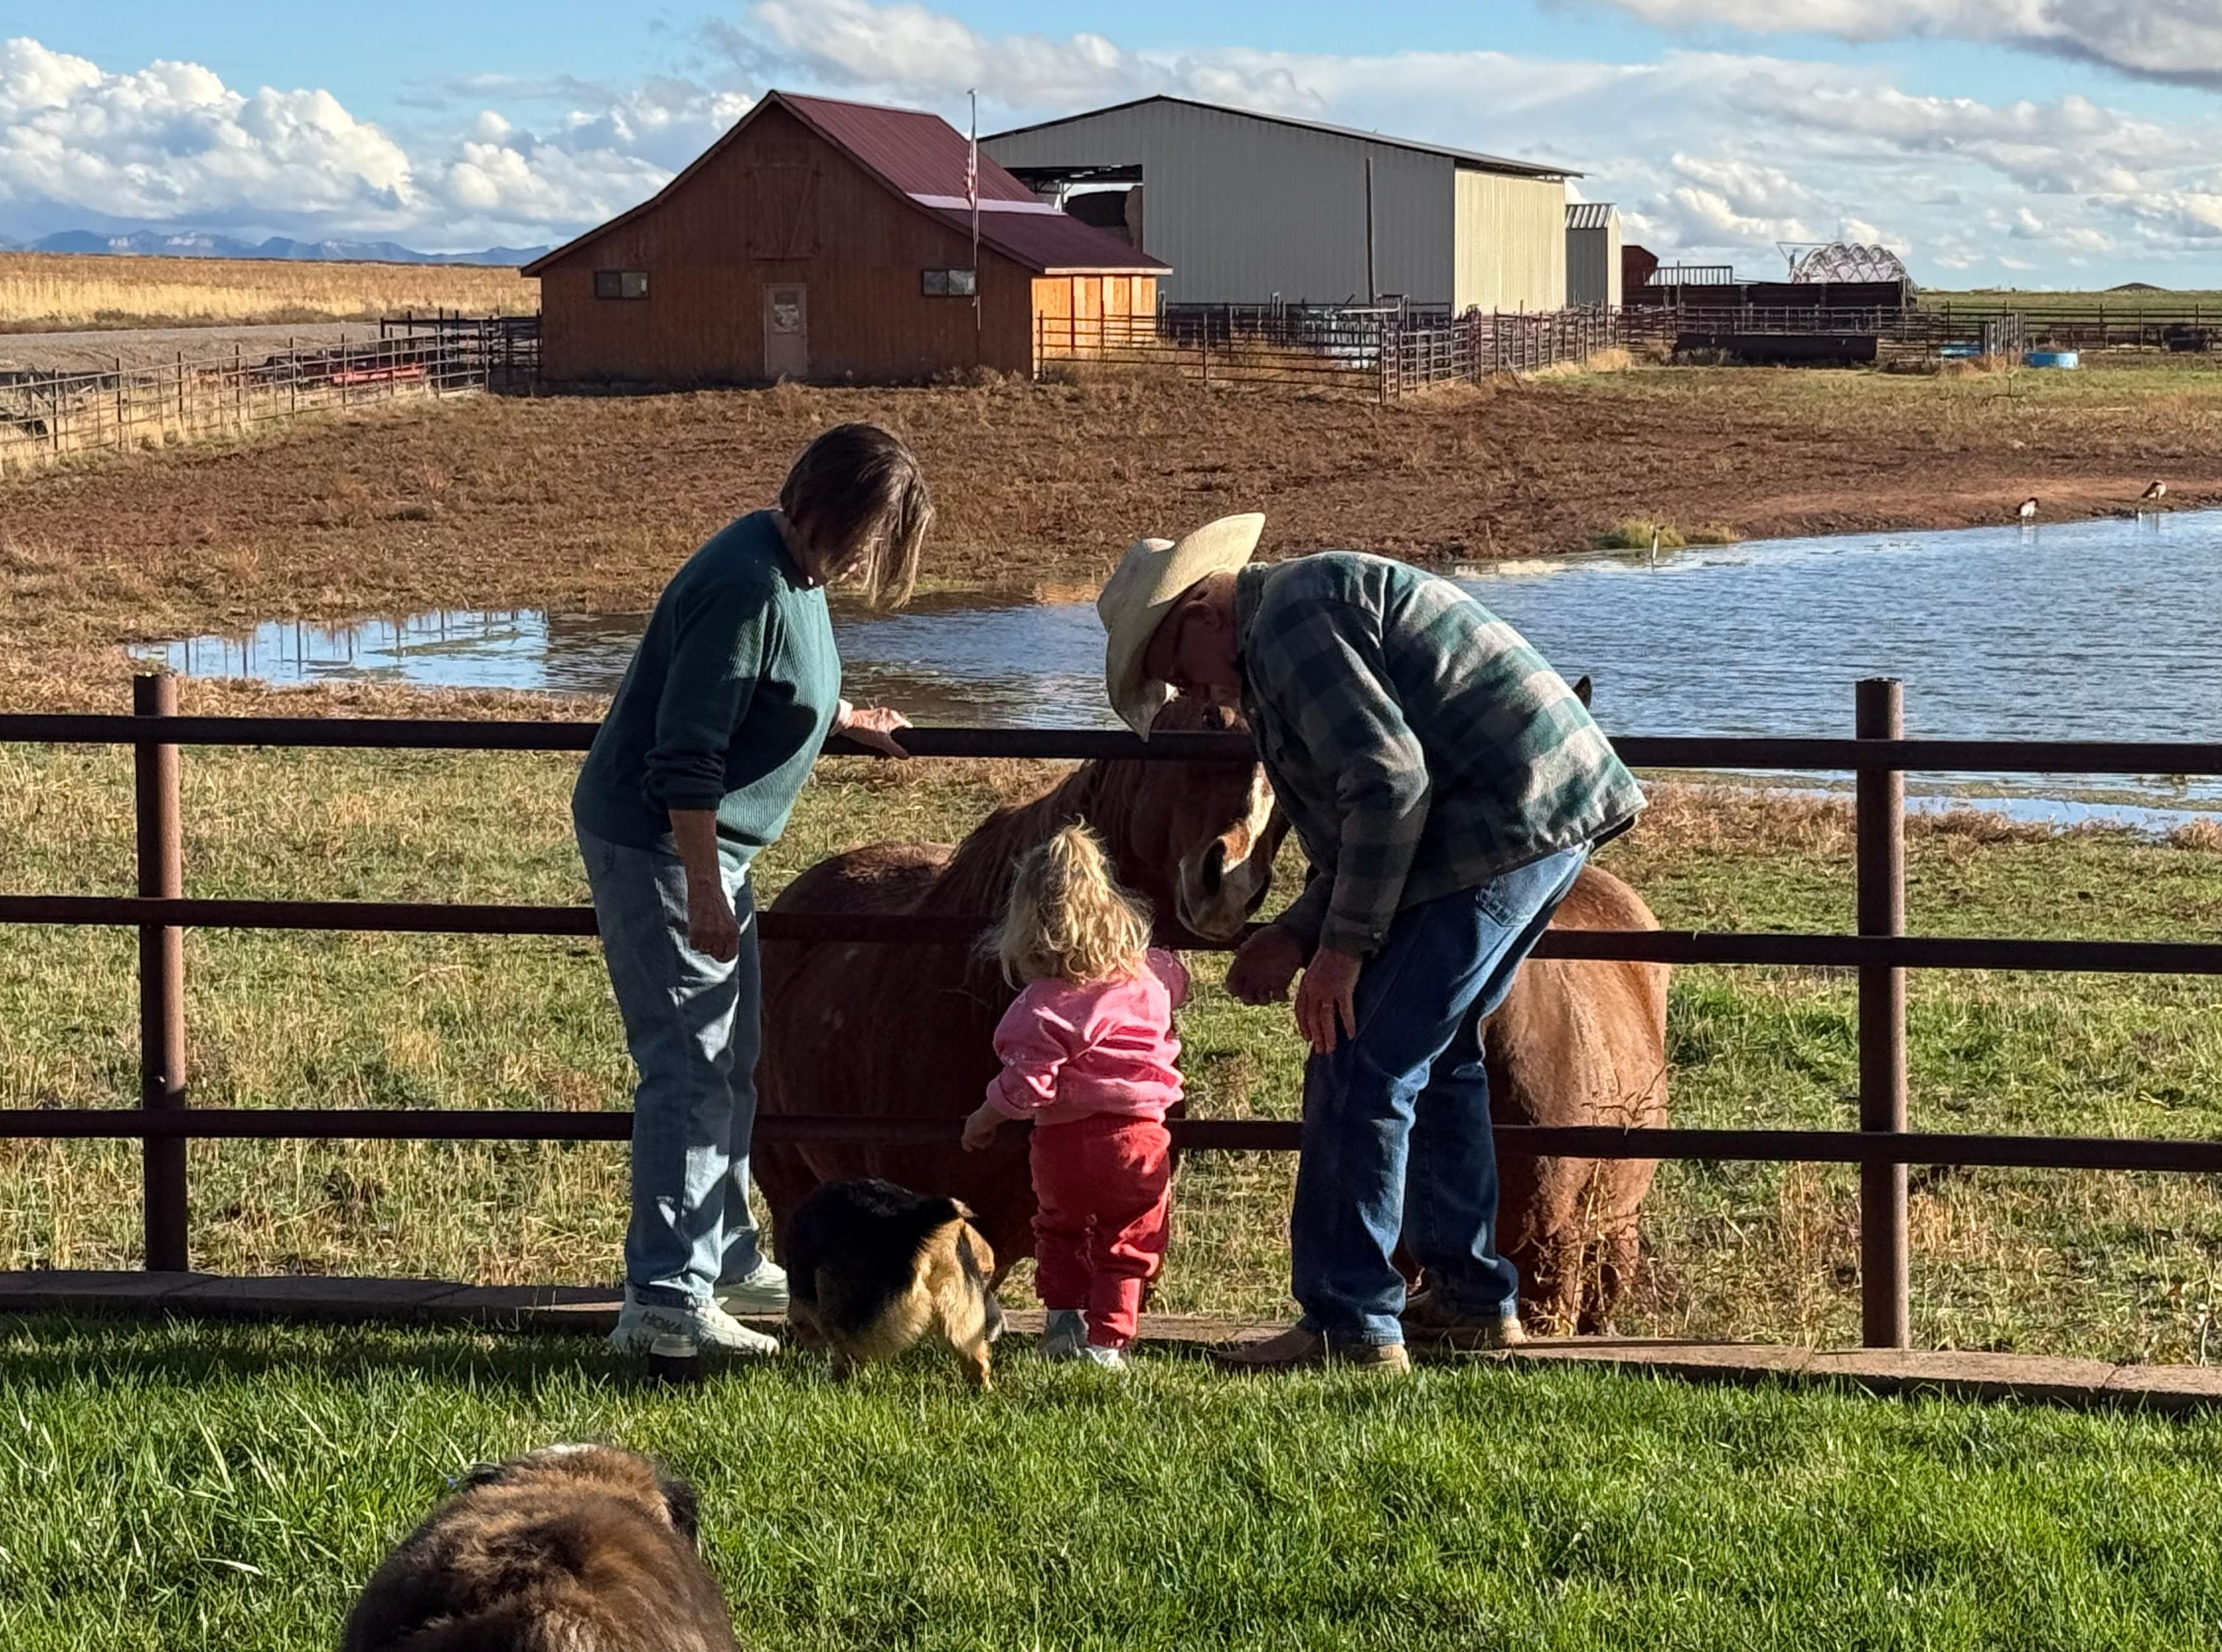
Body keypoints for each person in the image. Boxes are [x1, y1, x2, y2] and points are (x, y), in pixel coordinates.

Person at [1094, 514, 1644, 1372]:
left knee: (1359, 1058)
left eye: (1175, 668)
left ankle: (1349, 1319)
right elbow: (1364, 816)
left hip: (1500, 827)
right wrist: (1295, 930)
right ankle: (1466, 1297)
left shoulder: (1288, 629)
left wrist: (1339, 953)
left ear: (1203, 613)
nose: (1194, 696)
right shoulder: (1287, 632)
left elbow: (1389, 788)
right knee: (1442, 1052)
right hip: (1535, 813)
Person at [574, 423, 931, 1361]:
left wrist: (840, 718)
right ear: (826, 512)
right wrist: (701, 888)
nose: (863, 565)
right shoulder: (747, 584)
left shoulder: (787, 570)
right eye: (865, 541)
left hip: (702, 848)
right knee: (688, 1064)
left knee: (731, 1057)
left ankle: (721, 1251)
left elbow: (764, 685)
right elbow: (684, 757)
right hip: (666, 843)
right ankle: (662, 1299)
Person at [961, 823, 1187, 1371]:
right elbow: (1180, 978)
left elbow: (1028, 1085)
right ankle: (1108, 1345)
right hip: (1138, 1140)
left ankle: (1062, 1325)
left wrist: (984, 1118)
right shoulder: (1151, 978)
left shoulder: (1040, 1003)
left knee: (1058, 1229)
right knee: (1129, 1239)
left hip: (1061, 1142)